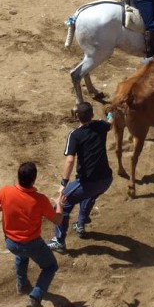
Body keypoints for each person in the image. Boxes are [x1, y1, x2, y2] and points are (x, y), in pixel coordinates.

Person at [0, 162, 64, 307]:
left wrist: (6, 207)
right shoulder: (40, 199)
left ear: (18, 177)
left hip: (11, 243)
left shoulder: (5, 191)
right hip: (32, 244)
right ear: (34, 180)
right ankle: (35, 297)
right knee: (50, 266)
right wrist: (59, 204)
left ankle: (22, 285)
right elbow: (58, 220)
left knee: (21, 254)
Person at [47, 102, 113, 254]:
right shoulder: (100, 126)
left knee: (63, 205)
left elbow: (70, 160)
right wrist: (111, 113)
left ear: (77, 116)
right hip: (106, 180)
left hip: (87, 182)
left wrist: (63, 183)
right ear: (92, 115)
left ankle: (59, 242)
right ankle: (81, 224)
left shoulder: (75, 135)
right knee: (89, 197)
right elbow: (110, 123)